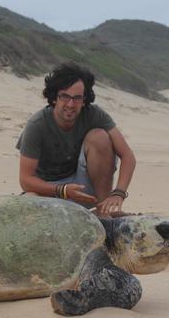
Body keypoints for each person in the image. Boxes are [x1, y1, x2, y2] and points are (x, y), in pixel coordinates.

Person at [16, 62, 136, 215]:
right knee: (29, 201)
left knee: (99, 137)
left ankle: (103, 211)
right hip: (49, 192)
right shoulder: (37, 124)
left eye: (77, 98)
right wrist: (62, 190)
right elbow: (25, 180)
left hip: (83, 189)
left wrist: (119, 193)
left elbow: (128, 155)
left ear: (84, 100)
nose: (71, 104)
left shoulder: (94, 114)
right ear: (54, 98)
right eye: (65, 96)